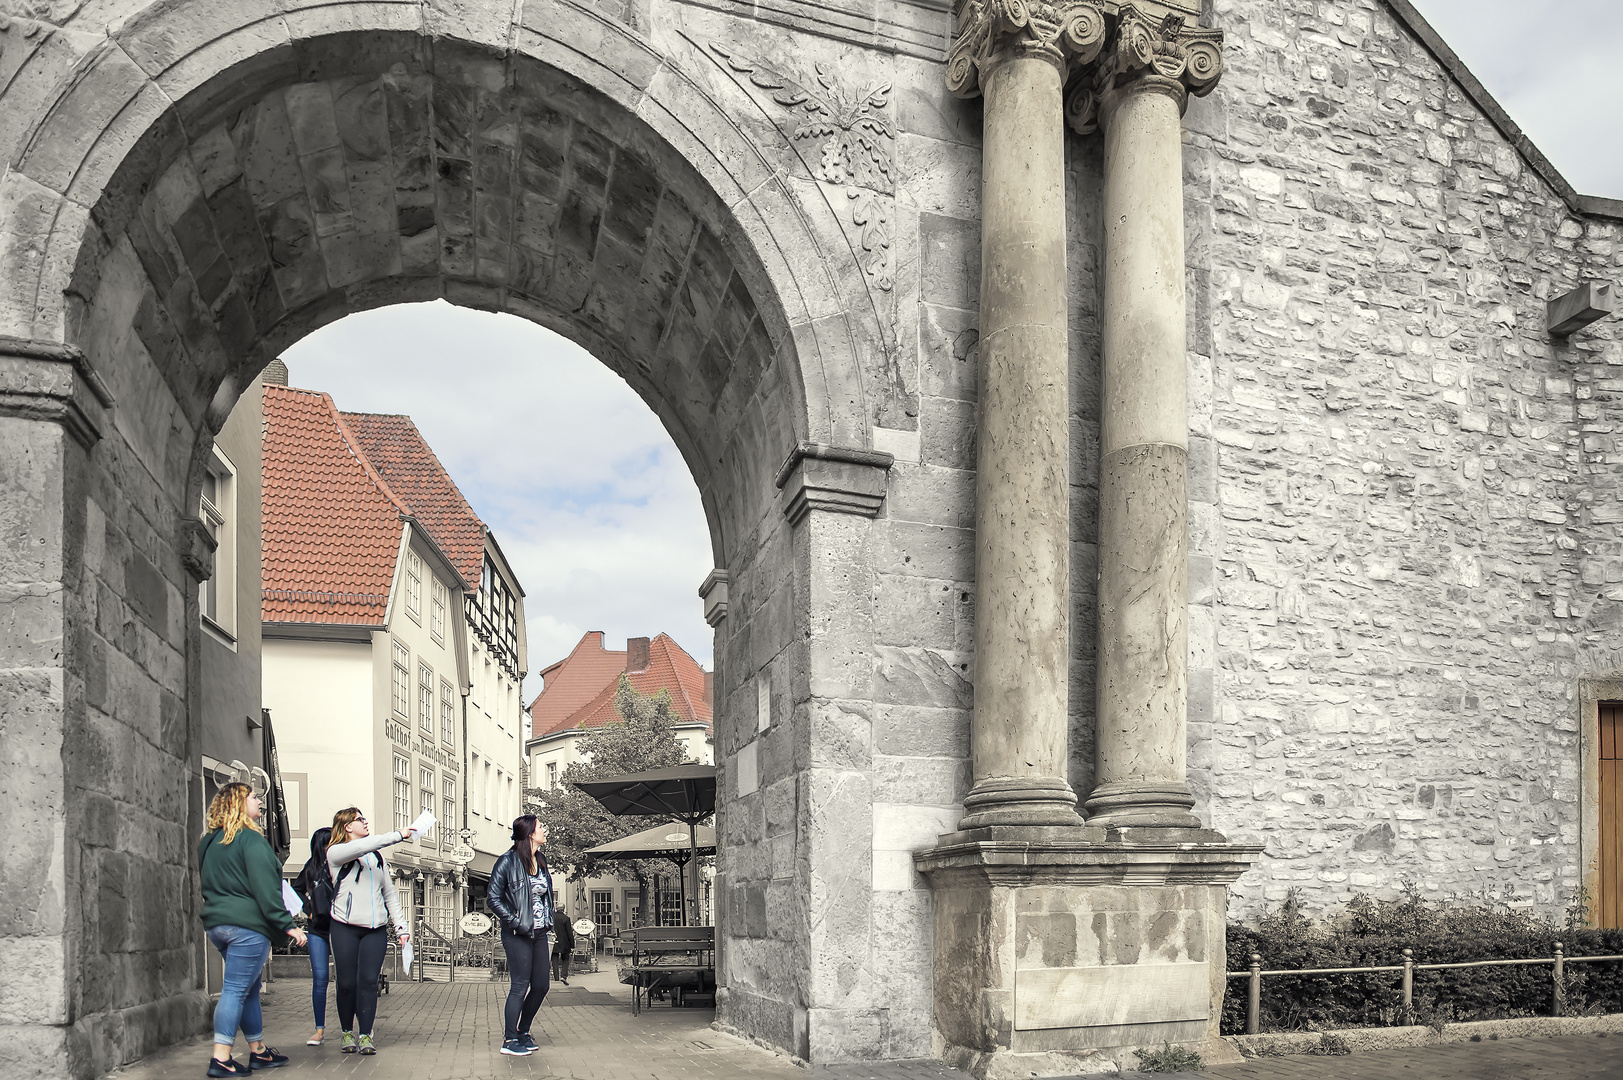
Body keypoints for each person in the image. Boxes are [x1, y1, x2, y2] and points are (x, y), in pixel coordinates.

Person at [198, 782, 307, 1077]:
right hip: (247, 927)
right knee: (235, 989)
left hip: (218, 924)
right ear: (238, 803)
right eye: (254, 797)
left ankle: (258, 1052)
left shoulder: (209, 842)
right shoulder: (252, 841)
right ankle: (221, 1058)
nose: (260, 801)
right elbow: (266, 891)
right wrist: (289, 926)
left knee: (247, 990)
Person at [325, 808, 416, 1056]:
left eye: (365, 819)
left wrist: (401, 927)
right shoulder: (336, 852)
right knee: (345, 983)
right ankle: (346, 1032)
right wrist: (399, 834)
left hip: (374, 930)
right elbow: (360, 848)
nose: (365, 822)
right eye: (360, 820)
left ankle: (365, 1035)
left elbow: (389, 893)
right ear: (347, 827)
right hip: (344, 926)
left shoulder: (376, 857)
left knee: (368, 982)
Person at [486, 815, 553, 1057]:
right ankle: (509, 1039)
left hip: (539, 932)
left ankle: (523, 1031)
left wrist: (547, 920)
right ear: (530, 834)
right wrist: (515, 922)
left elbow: (543, 896)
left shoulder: (540, 860)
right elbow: (492, 898)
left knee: (542, 985)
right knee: (519, 986)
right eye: (541, 827)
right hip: (518, 933)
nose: (545, 830)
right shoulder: (507, 861)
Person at [290, 827, 334, 1046]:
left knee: (347, 979)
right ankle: (319, 1031)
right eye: (329, 842)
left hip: (340, 927)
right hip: (317, 928)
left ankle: (358, 1028)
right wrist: (308, 908)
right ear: (321, 845)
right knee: (320, 980)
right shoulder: (311, 867)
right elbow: (295, 889)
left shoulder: (341, 863)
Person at [551, 905, 575, 985]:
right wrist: (572, 945)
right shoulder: (566, 918)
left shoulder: (552, 917)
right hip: (564, 942)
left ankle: (556, 978)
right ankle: (563, 976)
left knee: (554, 960)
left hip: (554, 940)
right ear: (564, 909)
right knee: (565, 959)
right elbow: (569, 933)